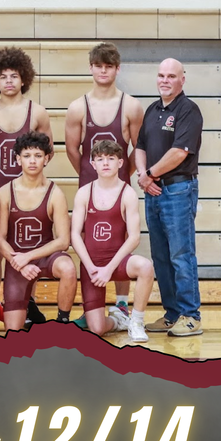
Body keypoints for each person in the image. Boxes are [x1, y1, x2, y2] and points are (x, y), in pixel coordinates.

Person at [64, 41, 144, 325]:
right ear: (90, 68)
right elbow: (73, 149)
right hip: (90, 184)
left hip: (120, 185)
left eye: (108, 66)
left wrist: (121, 175)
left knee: (122, 240)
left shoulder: (131, 106)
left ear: (117, 69)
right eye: (98, 66)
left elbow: (138, 148)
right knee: (89, 239)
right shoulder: (78, 107)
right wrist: (90, 173)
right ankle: (92, 306)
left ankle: (121, 306)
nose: (103, 71)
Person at [0, 47, 51, 326]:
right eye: (3, 76)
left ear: (23, 79)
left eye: (14, 76)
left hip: (28, 191)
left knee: (26, 243)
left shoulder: (37, 112)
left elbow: (46, 150)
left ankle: (24, 303)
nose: (8, 81)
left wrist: (27, 178)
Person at [135, 58, 203, 337]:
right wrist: (143, 176)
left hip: (178, 189)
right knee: (161, 256)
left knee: (180, 254)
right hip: (153, 191)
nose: (165, 80)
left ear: (182, 80)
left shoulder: (188, 110)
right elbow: (139, 146)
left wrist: (149, 174)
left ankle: (190, 315)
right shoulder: (152, 109)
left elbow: (179, 153)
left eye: (171, 76)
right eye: (161, 75)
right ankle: (172, 314)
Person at [71, 140, 154, 343]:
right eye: (100, 159)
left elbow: (134, 237)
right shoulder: (84, 193)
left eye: (110, 158)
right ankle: (118, 321)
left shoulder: (128, 193)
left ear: (120, 163)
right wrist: (91, 267)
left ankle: (136, 321)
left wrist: (109, 268)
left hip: (116, 262)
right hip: (92, 266)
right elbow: (74, 235)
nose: (105, 163)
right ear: (93, 164)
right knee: (97, 329)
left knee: (146, 267)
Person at [0, 131, 76, 332]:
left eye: (38, 156)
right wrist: (19, 263)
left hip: (45, 257)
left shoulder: (55, 194)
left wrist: (28, 257)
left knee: (68, 267)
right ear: (17, 159)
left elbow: (63, 241)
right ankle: (26, 304)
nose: (32, 161)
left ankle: (62, 321)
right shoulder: (5, 192)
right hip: (17, 261)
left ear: (47, 158)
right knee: (12, 329)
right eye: (27, 156)